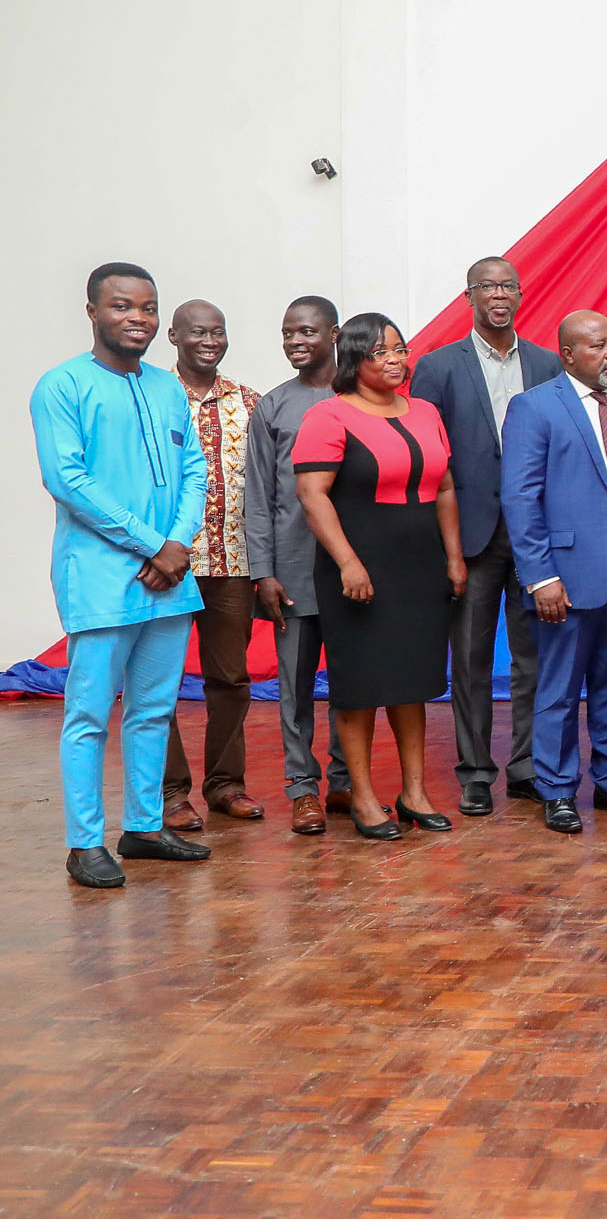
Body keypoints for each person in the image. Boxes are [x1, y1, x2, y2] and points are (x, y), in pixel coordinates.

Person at [32, 263, 212, 887]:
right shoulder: (62, 386)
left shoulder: (166, 387)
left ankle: (143, 828)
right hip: (102, 578)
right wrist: (152, 545)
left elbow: (194, 471)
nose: (138, 318)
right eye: (121, 306)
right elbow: (67, 480)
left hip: (170, 579)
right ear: (92, 312)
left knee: (154, 710)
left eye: (147, 307)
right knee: (89, 716)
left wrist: (176, 544)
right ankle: (85, 843)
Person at [294, 314, 467, 840]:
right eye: (379, 352)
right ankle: (364, 797)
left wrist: (454, 558)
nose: (395, 360)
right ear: (354, 359)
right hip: (359, 568)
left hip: (421, 567)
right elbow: (312, 495)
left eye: (399, 349)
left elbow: (444, 488)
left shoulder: (426, 412)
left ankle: (413, 793)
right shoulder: (328, 415)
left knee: (412, 682)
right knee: (362, 685)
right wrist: (348, 562)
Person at [408, 256, 561, 816]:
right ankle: (475, 772)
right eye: (487, 286)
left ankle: (526, 767)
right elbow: (428, 458)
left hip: (535, 535)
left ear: (520, 295)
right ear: (469, 296)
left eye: (507, 286)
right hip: (470, 536)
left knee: (534, 658)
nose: (498, 294)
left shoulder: (547, 363)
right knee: (471, 660)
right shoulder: (437, 367)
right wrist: (441, 544)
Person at [501, 311, 607, 834]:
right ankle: (557, 789)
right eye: (598, 346)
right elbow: (520, 499)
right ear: (568, 355)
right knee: (560, 689)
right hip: (565, 577)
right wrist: (541, 577)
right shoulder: (534, 407)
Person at [246, 296, 354, 834]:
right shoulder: (273, 406)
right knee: (295, 687)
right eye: (288, 332)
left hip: (352, 568)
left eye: (307, 331)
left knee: (353, 681)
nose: (295, 341)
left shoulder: (360, 398)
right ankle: (302, 788)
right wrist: (263, 572)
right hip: (291, 569)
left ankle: (346, 782)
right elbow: (259, 497)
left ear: (334, 334)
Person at [161, 298, 265, 829]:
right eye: (198, 332)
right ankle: (170, 794)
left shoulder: (249, 401)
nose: (209, 341)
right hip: (165, 567)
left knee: (230, 679)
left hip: (232, 563)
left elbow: (267, 488)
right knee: (158, 682)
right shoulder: (151, 397)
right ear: (173, 337)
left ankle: (226, 785)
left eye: (217, 332)